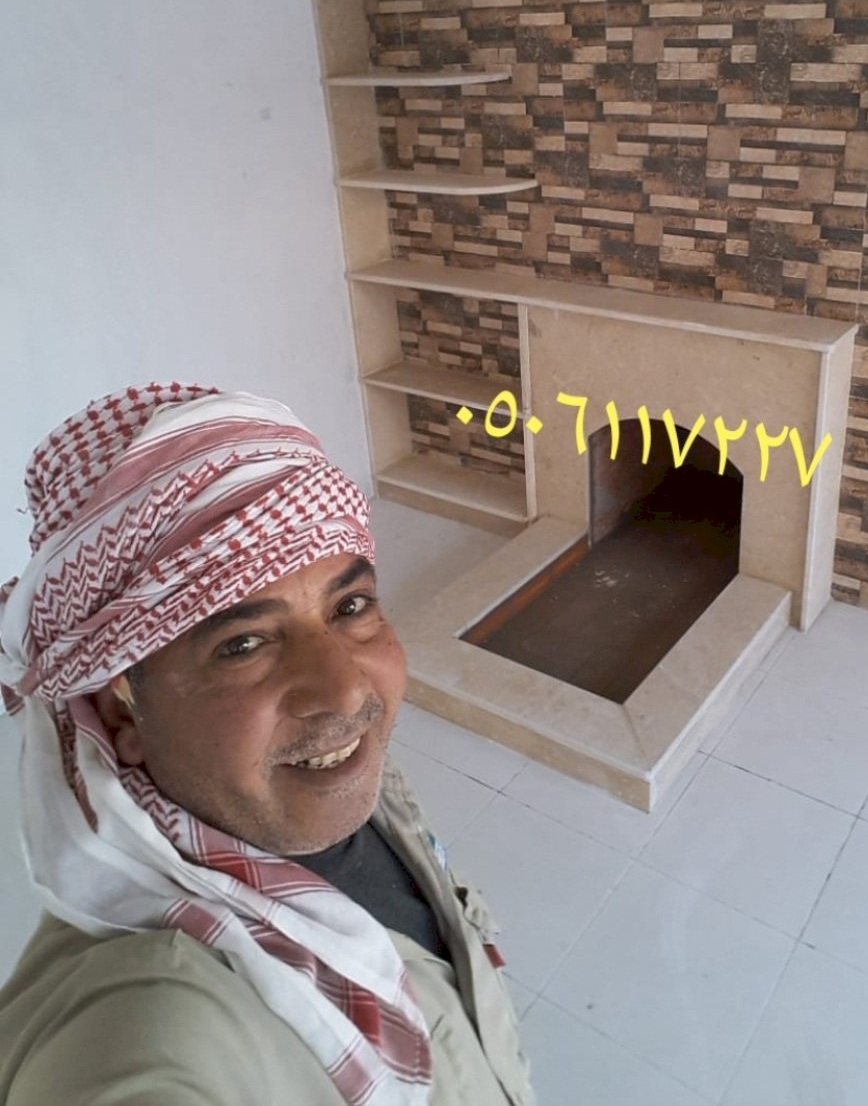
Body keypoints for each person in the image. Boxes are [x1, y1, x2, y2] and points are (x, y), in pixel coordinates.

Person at [0, 383, 534, 1105]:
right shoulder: (147, 1020)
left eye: (350, 606)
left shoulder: (333, 783)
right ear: (119, 714)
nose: (345, 691)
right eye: (244, 644)